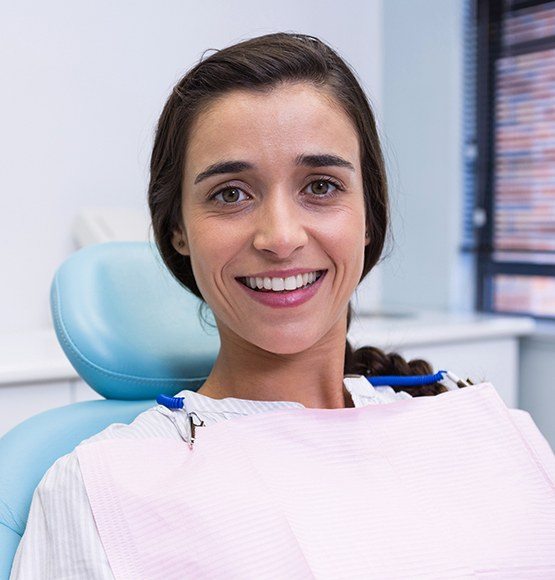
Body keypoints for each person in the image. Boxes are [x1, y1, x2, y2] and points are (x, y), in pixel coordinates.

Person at [11, 32, 463, 579]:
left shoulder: (458, 418)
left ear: (368, 213)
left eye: (320, 185)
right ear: (177, 229)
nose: (280, 235)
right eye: (230, 193)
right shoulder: (99, 488)